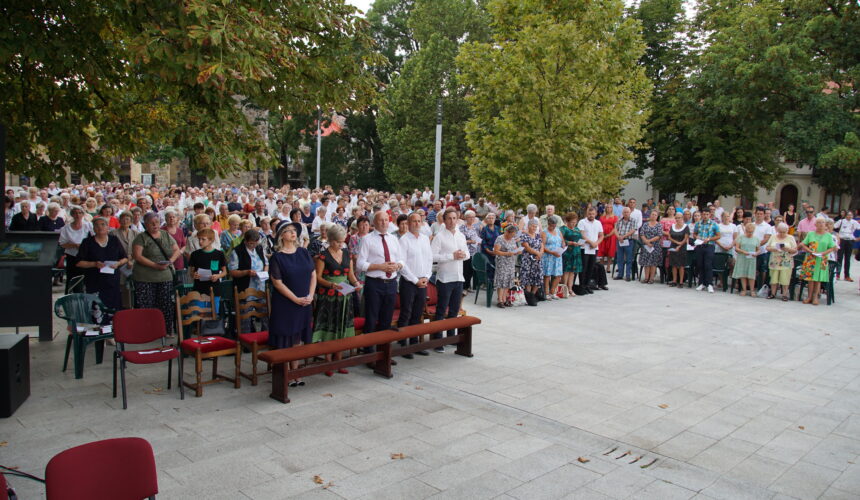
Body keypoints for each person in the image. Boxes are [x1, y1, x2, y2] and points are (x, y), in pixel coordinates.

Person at [269, 223, 316, 385]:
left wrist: (310, 294)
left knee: (297, 338)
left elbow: (313, 274)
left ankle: (296, 372)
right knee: (285, 337)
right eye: (288, 231)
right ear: (281, 235)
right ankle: (285, 373)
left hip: (304, 301)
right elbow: (277, 283)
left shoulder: (303, 252)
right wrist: (295, 299)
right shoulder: (277, 257)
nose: (293, 233)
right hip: (286, 303)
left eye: (294, 231)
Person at [313, 224, 361, 374]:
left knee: (341, 326)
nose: (340, 244)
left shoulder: (347, 254)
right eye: (337, 242)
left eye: (342, 241)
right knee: (329, 326)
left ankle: (339, 360)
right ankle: (327, 361)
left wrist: (356, 284)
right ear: (330, 239)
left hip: (344, 296)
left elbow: (350, 274)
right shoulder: (323, 255)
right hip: (328, 296)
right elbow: (318, 278)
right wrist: (331, 285)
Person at [357, 211, 405, 349]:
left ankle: (384, 353)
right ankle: (369, 352)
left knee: (386, 320)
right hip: (374, 284)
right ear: (374, 222)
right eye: (380, 220)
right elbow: (360, 265)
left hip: (391, 283)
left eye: (386, 220)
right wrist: (380, 267)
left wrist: (398, 265)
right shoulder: (367, 239)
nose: (384, 223)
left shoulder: (393, 238)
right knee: (371, 319)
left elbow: (402, 259)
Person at [131, 212, 181, 335]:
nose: (155, 225)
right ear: (146, 224)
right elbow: (137, 256)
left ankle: (165, 330)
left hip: (164, 276)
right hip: (145, 277)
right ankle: (148, 331)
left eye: (157, 222)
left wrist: (170, 261)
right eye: (151, 223)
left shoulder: (165, 235)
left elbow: (176, 250)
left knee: (166, 304)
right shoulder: (141, 237)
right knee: (147, 304)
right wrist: (154, 265)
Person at [431, 208, 469, 350]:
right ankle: (438, 341)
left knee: (454, 310)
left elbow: (467, 254)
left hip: (458, 277)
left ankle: (451, 337)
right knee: (441, 310)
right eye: (449, 218)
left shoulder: (461, 235)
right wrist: (450, 256)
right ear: (444, 220)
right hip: (445, 278)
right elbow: (432, 256)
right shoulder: (439, 236)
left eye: (454, 218)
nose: (452, 221)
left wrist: (462, 255)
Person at [397, 212, 433, 356]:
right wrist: (415, 280)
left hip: (423, 281)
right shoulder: (404, 240)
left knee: (418, 313)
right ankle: (403, 345)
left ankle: (414, 344)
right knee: (406, 312)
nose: (417, 224)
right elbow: (402, 264)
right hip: (409, 282)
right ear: (409, 223)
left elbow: (429, 259)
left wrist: (426, 277)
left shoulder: (425, 239)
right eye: (414, 221)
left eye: (419, 221)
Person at [76, 217, 128, 310]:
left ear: (108, 227)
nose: (100, 227)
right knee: (96, 310)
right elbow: (79, 263)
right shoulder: (87, 242)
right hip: (94, 281)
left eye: (103, 224)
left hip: (112, 281)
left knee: (113, 309)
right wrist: (94, 264)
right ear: (93, 228)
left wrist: (118, 263)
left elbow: (125, 258)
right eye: (97, 225)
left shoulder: (114, 240)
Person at [58, 207, 93, 290]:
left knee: (85, 279)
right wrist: (75, 245)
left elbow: (94, 238)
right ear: (72, 215)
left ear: (83, 214)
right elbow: (62, 244)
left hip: (86, 256)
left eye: (80, 213)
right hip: (72, 256)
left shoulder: (88, 225)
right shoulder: (66, 228)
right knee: (71, 278)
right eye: (75, 213)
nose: (77, 215)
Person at [187, 228, 228, 295]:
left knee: (214, 305)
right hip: (198, 289)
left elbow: (224, 272)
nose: (200, 241)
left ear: (211, 240)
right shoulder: (194, 254)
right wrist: (194, 274)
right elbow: (191, 272)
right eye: (199, 239)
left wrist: (217, 276)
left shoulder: (219, 254)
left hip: (214, 289)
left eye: (203, 239)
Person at [228, 228, 268, 294]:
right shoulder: (237, 251)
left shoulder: (259, 248)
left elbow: (266, 264)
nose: (254, 246)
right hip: (244, 288)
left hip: (261, 286)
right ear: (245, 241)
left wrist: (264, 273)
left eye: (256, 243)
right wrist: (246, 272)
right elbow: (232, 272)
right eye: (251, 243)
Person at [766, 222, 798, 300]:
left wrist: (788, 249)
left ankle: (784, 294)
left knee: (785, 278)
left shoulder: (791, 237)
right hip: (775, 261)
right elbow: (767, 247)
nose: (782, 234)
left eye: (784, 232)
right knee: (774, 277)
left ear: (787, 231)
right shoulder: (773, 237)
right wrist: (774, 249)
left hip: (786, 262)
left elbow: (795, 250)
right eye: (780, 232)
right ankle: (773, 293)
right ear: (777, 230)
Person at [692, 209, 720, 293]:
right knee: (700, 264)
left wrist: (709, 239)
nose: (705, 216)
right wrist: (697, 237)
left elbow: (718, 235)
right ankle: (702, 283)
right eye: (704, 214)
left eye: (707, 214)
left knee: (708, 265)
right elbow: (694, 234)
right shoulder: (698, 224)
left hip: (709, 245)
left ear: (709, 215)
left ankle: (709, 284)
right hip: (700, 245)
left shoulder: (714, 224)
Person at [577, 208, 605, 292]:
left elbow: (601, 235)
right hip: (584, 247)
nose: (591, 215)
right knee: (584, 267)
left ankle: (587, 285)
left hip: (594, 248)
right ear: (587, 213)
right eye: (589, 214)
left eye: (593, 214)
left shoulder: (598, 222)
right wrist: (590, 242)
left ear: (596, 214)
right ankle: (582, 285)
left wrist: (596, 243)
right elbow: (581, 234)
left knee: (591, 267)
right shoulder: (582, 222)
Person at [493, 224, 521, 307]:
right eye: (512, 234)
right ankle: (500, 300)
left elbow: (514, 249)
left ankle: (505, 299)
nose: (513, 236)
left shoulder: (512, 239)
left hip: (511, 262)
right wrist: (507, 253)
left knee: (508, 281)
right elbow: (496, 251)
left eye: (514, 235)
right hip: (502, 263)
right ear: (507, 232)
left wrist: (517, 251)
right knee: (502, 281)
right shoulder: (500, 239)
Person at [732, 223, 759, 296]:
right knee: (743, 273)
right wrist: (743, 252)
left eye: (751, 232)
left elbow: (758, 250)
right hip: (742, 257)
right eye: (748, 231)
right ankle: (744, 289)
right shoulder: (740, 237)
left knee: (751, 274)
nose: (750, 233)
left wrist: (756, 253)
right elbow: (736, 248)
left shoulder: (756, 239)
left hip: (751, 259)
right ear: (745, 230)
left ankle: (752, 290)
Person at [519, 218, 544, 296]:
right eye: (533, 226)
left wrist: (540, 254)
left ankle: (533, 295)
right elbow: (527, 247)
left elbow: (542, 246)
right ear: (528, 226)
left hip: (537, 259)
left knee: (538, 276)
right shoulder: (524, 235)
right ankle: (528, 294)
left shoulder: (538, 236)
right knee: (527, 277)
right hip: (527, 259)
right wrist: (537, 253)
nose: (534, 228)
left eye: (536, 226)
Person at [560, 212, 583, 293]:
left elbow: (580, 237)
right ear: (567, 221)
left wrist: (581, 242)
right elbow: (561, 240)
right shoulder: (563, 228)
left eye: (575, 222)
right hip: (567, 252)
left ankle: (570, 288)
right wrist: (571, 243)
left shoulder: (577, 229)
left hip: (576, 252)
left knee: (573, 272)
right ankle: (564, 288)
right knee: (566, 271)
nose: (573, 224)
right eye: (572, 222)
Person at [638, 210, 663, 284]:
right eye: (652, 214)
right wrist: (646, 241)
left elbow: (659, 235)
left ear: (657, 216)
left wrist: (650, 241)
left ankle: (651, 278)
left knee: (653, 263)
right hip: (646, 246)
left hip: (655, 246)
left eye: (655, 215)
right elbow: (641, 234)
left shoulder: (659, 225)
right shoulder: (645, 224)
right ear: (650, 215)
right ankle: (646, 278)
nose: (653, 216)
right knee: (646, 263)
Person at [542, 216, 564, 298]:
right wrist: (551, 252)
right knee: (547, 275)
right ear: (548, 224)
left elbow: (562, 241)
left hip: (557, 255)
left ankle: (553, 292)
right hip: (548, 256)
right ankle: (546, 293)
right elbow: (542, 246)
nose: (553, 227)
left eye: (554, 226)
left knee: (558, 275)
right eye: (551, 226)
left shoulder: (558, 230)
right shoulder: (544, 232)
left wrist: (563, 246)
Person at [752, 207, 775, 287]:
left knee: (762, 270)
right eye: (757, 214)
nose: (759, 215)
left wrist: (757, 246)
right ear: (755, 214)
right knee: (752, 269)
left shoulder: (767, 226)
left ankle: (760, 287)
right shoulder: (751, 225)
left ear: (764, 215)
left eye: (761, 214)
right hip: (751, 251)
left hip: (762, 251)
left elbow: (766, 238)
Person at [834, 211, 859, 281]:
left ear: (852, 216)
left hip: (850, 240)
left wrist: (858, 238)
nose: (849, 216)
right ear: (845, 215)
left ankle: (847, 275)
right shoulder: (841, 221)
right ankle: (837, 274)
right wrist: (837, 236)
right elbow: (833, 227)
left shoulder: (854, 222)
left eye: (851, 215)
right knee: (839, 258)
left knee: (848, 259)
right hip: (842, 240)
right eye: (848, 215)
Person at [666, 211, 689, 287]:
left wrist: (679, 245)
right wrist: (676, 242)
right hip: (673, 246)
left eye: (679, 217)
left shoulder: (685, 226)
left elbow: (685, 238)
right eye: (676, 218)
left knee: (681, 265)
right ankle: (674, 280)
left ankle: (681, 282)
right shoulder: (672, 226)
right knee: (673, 265)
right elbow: (669, 237)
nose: (678, 219)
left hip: (682, 248)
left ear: (682, 218)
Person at [613, 208, 636, 281]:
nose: (626, 213)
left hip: (628, 241)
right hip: (620, 241)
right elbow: (615, 230)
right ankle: (620, 274)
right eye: (625, 212)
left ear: (630, 213)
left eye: (627, 212)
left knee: (629, 259)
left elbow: (633, 230)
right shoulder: (619, 220)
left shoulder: (633, 220)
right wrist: (618, 237)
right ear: (622, 213)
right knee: (620, 258)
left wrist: (623, 236)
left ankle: (628, 275)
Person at [460, 210, 481, 291]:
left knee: (471, 270)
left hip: (474, 252)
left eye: (473, 217)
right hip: (466, 251)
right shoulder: (462, 228)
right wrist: (470, 241)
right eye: (470, 217)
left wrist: (478, 242)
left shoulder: (475, 227)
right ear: (466, 218)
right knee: (465, 270)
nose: (472, 219)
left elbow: (477, 238)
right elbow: (460, 240)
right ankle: (464, 287)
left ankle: (468, 285)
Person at [479, 212, 501, 286]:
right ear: (486, 220)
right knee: (488, 267)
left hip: (496, 250)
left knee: (495, 266)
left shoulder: (498, 228)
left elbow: (500, 239)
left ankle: (493, 282)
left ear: (495, 219)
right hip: (486, 251)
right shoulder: (484, 229)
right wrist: (489, 251)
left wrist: (497, 250)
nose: (491, 220)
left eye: (492, 218)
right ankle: (486, 283)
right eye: (489, 218)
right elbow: (483, 242)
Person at [598, 208, 618, 273]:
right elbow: (599, 226)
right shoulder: (602, 217)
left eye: (610, 208)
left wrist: (609, 235)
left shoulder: (615, 217)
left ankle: (608, 267)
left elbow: (615, 228)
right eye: (607, 208)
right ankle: (601, 266)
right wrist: (602, 235)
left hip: (611, 235)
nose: (609, 209)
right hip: (602, 235)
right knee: (602, 250)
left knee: (610, 251)